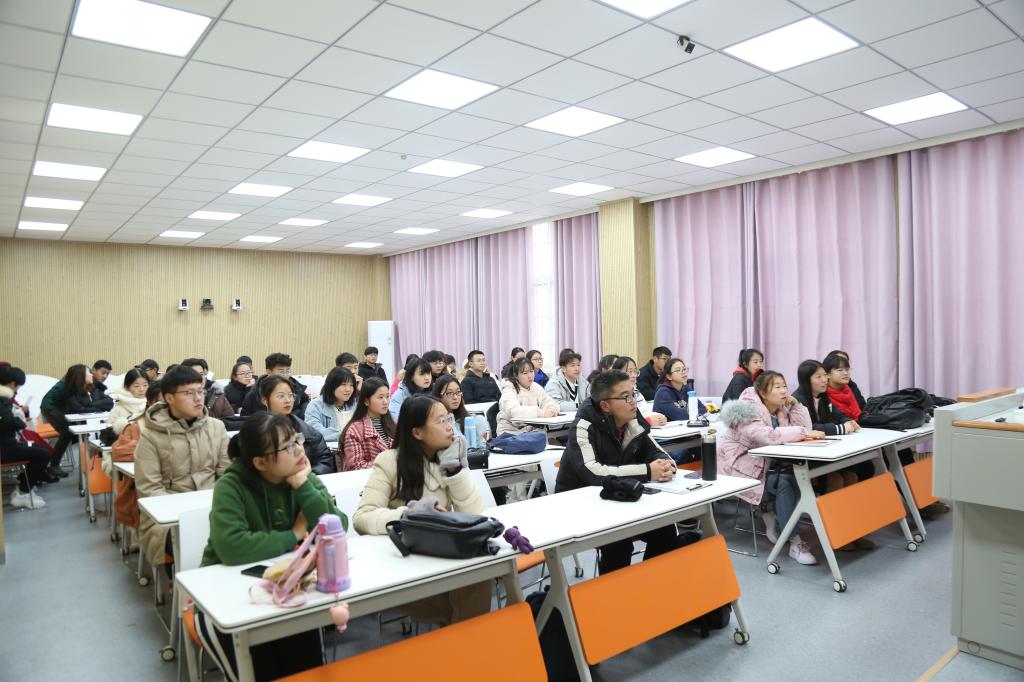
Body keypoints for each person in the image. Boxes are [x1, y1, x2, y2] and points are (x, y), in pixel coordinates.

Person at [197, 412, 345, 682]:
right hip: (227, 598)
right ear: (260, 462)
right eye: (287, 447)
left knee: (306, 673)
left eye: (297, 440)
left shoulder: (301, 474)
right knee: (261, 673)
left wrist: (303, 487)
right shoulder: (231, 485)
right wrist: (294, 534)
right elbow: (232, 547)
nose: (299, 450)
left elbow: (338, 527)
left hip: (289, 592)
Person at [354, 395, 492, 624]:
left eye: (448, 419)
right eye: (440, 421)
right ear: (417, 432)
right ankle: (468, 639)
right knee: (462, 607)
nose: (449, 427)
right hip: (405, 565)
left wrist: (455, 471)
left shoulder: (447, 458)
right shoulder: (389, 461)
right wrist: (409, 515)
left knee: (479, 575)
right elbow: (362, 517)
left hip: (442, 555)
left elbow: (473, 515)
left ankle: (466, 639)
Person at [555, 369, 681, 574]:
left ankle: (649, 587)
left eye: (633, 393)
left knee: (665, 531)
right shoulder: (584, 425)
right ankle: (613, 593)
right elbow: (593, 472)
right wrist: (648, 471)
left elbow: (655, 451)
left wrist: (667, 466)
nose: (633, 401)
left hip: (618, 498)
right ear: (605, 405)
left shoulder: (632, 418)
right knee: (618, 543)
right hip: (579, 505)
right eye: (625, 397)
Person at [717, 371, 822, 566]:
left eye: (784, 386)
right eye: (777, 387)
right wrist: (803, 432)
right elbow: (766, 436)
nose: (784, 391)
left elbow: (806, 428)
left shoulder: (780, 409)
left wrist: (796, 405)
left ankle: (772, 511)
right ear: (763, 393)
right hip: (740, 467)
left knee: (794, 476)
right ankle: (794, 541)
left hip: (766, 464)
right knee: (785, 481)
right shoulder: (748, 409)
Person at [135, 366, 230, 571]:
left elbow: (227, 475)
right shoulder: (151, 436)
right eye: (189, 393)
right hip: (169, 517)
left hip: (214, 506)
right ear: (169, 398)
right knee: (190, 541)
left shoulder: (216, 427)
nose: (198, 398)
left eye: (201, 391)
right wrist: (187, 516)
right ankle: (183, 588)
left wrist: (221, 506)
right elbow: (150, 489)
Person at [793, 358, 875, 550]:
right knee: (836, 480)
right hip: (807, 458)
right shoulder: (798, 400)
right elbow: (810, 428)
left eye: (825, 375)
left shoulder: (823, 397)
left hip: (827, 452)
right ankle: (835, 536)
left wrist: (849, 421)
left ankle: (853, 532)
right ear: (806, 380)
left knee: (852, 476)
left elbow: (839, 415)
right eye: (819, 376)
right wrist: (841, 428)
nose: (824, 380)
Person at [1, 366, 55, 509]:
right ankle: (23, 491)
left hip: (8, 443)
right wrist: (20, 422)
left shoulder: (4, 399)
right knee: (43, 454)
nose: (17, 391)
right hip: (5, 448)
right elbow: (6, 422)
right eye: (18, 387)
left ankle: (24, 488)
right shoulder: (3, 399)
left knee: (41, 449)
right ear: (12, 384)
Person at [259, 375, 334, 475]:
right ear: (265, 400)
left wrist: (307, 475)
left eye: (290, 395)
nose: (288, 400)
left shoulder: (309, 432)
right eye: (281, 396)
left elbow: (325, 461)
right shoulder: (258, 432)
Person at [39, 364, 91, 477]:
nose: (105, 376)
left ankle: (51, 458)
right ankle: (53, 465)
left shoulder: (84, 379)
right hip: (50, 406)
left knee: (77, 431)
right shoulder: (73, 380)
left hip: (60, 406)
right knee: (67, 432)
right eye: (103, 373)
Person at [341, 378, 395, 471]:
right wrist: (387, 463)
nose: (386, 402)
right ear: (366, 401)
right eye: (380, 397)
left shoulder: (393, 425)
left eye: (387, 396)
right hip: (369, 478)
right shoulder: (354, 431)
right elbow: (355, 466)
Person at [496, 357, 559, 435]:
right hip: (511, 433)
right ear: (516, 375)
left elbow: (551, 403)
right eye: (525, 373)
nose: (530, 376)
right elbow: (514, 411)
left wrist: (552, 410)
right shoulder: (508, 388)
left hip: (532, 433)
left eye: (531, 371)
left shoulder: (536, 387)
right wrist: (541, 413)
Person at [241, 352, 311, 418]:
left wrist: (298, 415)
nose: (285, 375)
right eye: (281, 372)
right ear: (269, 372)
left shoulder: (296, 387)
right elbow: (245, 419)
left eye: (288, 371)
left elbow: (306, 402)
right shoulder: (254, 394)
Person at [304, 366, 358, 443]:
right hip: (327, 449)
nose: (348, 389)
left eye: (351, 385)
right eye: (343, 384)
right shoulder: (316, 405)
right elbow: (313, 431)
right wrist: (346, 436)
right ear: (332, 386)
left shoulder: (354, 404)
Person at [612, 356, 668, 426]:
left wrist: (659, 417)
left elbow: (644, 410)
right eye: (629, 372)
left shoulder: (635, 390)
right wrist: (648, 421)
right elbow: (624, 421)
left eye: (635, 371)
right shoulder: (616, 394)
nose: (634, 375)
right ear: (617, 373)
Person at [433, 374, 488, 441]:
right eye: (450, 393)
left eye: (458, 392)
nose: (455, 397)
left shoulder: (469, 420)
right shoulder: (437, 423)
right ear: (439, 395)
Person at [652, 358, 707, 422]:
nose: (683, 372)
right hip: (667, 427)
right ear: (669, 376)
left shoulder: (687, 389)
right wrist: (693, 411)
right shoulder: (663, 393)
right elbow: (678, 415)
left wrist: (692, 412)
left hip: (683, 425)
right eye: (678, 370)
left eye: (684, 369)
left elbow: (703, 408)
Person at [107, 368, 149, 436]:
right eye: (136, 386)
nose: (142, 389)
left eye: (145, 385)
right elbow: (109, 433)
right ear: (126, 387)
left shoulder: (152, 405)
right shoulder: (118, 409)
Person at [388, 357, 432, 422]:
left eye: (429, 373)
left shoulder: (433, 392)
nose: (427, 377)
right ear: (411, 377)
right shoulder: (400, 395)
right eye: (422, 374)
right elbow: (395, 419)